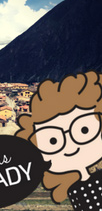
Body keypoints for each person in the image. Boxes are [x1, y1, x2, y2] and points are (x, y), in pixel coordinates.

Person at [15, 71, 102, 208]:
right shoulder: (75, 191)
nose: (71, 147)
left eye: (84, 130)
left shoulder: (76, 190)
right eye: (53, 141)